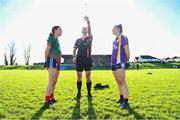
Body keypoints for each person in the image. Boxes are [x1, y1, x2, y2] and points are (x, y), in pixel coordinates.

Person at [73, 16, 93, 100]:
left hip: (87, 59)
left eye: (86, 29)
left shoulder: (89, 38)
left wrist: (88, 22)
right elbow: (74, 49)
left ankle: (89, 93)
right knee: (79, 77)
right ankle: (79, 93)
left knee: (88, 76)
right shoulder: (77, 40)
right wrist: (74, 56)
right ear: (81, 31)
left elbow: (90, 31)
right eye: (83, 29)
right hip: (79, 60)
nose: (85, 30)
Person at [111, 24, 130, 109]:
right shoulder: (114, 40)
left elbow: (127, 50)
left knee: (122, 81)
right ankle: (121, 98)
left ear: (118, 29)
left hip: (121, 62)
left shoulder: (123, 37)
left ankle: (126, 102)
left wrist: (126, 60)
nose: (112, 29)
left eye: (113, 28)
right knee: (118, 81)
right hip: (113, 63)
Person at [44, 26, 62, 107]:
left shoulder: (56, 40)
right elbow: (47, 50)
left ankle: (51, 98)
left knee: (54, 82)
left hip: (58, 62)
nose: (61, 31)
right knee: (51, 81)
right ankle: (47, 100)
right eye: (60, 29)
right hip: (52, 60)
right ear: (55, 30)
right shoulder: (52, 38)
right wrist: (46, 61)